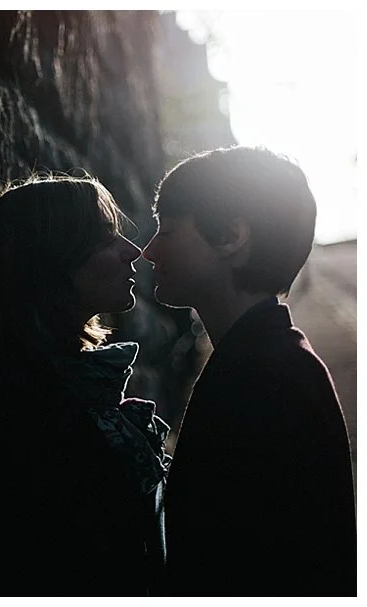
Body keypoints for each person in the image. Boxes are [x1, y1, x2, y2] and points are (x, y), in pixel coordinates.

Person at [0, 174, 171, 596]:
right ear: (48, 261)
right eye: (105, 240)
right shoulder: (9, 414)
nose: (132, 251)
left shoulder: (73, 391)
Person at [141, 146, 356, 596]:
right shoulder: (270, 362)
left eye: (168, 228)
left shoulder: (264, 380)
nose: (148, 249)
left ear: (231, 237)